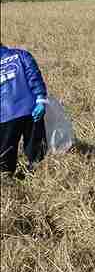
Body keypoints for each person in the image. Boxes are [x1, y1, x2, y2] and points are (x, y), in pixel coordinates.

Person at [0, 44, 48, 177]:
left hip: (5, 116)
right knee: (36, 150)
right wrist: (40, 99)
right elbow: (34, 75)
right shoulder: (21, 54)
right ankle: (38, 174)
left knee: (5, 152)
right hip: (31, 109)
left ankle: (7, 177)